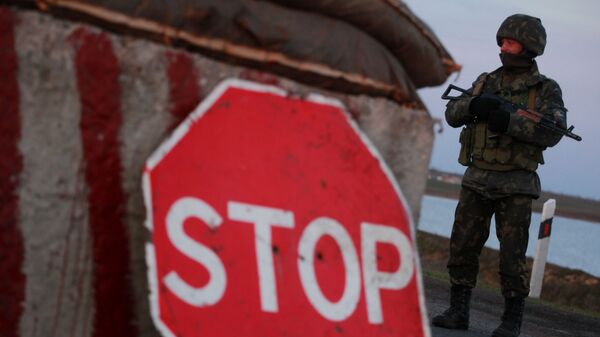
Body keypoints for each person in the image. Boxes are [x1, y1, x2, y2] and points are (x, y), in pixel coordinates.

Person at [431, 14, 567, 337]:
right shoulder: (486, 81)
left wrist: (508, 122)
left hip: (516, 184)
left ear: (528, 46)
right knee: (462, 247)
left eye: (510, 41)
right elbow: (452, 113)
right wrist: (475, 105)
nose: (503, 47)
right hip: (477, 178)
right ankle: (458, 310)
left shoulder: (545, 89)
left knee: (512, 257)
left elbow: (554, 130)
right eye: (501, 41)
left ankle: (510, 321)